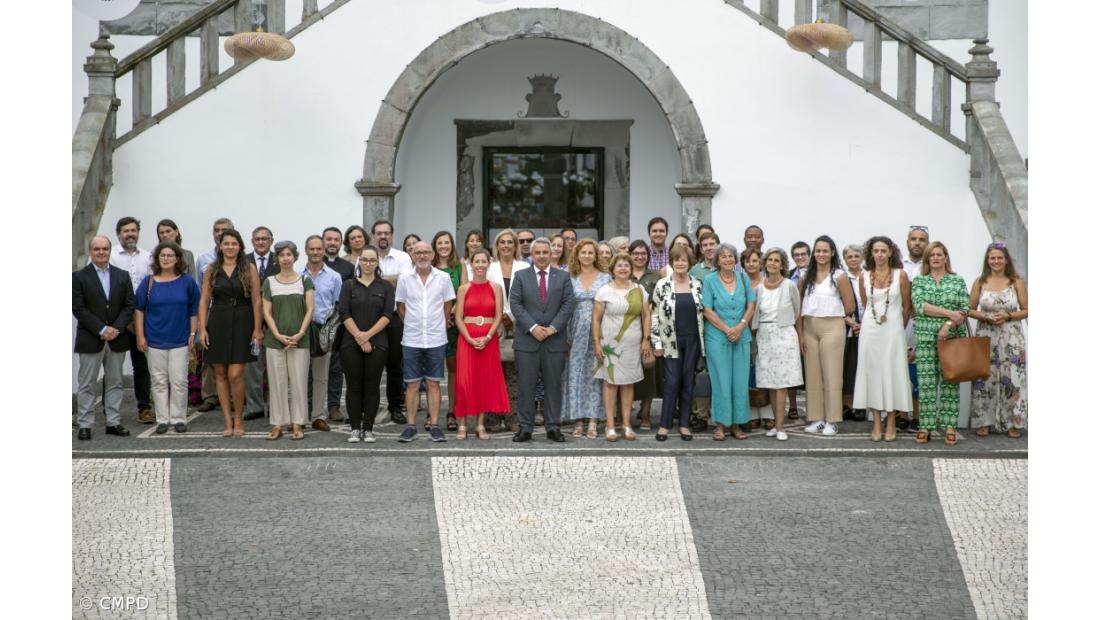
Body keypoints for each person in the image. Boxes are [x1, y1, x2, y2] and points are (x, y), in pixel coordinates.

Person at [510, 238, 576, 442]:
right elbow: (515, 304)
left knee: (553, 386)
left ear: (551, 254)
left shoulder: (563, 277)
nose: (541, 256)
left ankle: (553, 427)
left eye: (544, 252)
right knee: (526, 386)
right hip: (527, 341)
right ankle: (525, 427)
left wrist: (553, 328)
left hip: (554, 341)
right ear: (531, 255)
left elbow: (568, 305)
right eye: (536, 253)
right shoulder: (521, 276)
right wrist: (533, 327)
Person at [198, 229, 262, 437]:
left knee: (236, 374)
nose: (230, 247)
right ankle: (227, 420)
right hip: (218, 320)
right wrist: (202, 328)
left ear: (240, 246)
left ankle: (239, 418)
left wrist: (257, 328)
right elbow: (204, 300)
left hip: (243, 320)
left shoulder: (248, 268)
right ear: (220, 246)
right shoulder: (212, 269)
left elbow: (256, 300)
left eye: (234, 243)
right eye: (226, 243)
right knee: (220, 373)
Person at [135, 241, 201, 434]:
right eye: (162, 255)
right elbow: (139, 310)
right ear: (157, 259)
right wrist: (140, 336)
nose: (166, 258)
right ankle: (162, 419)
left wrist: (192, 333)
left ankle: (179, 418)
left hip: (180, 339)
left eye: (170, 255)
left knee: (179, 381)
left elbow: (194, 310)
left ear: (177, 259)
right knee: (158, 381)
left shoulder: (187, 281)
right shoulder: (148, 283)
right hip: (155, 339)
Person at [73, 236, 135, 440]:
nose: (101, 252)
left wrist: (115, 328)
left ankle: (113, 422)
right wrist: (101, 329)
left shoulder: (122, 276)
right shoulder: (78, 277)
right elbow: (78, 308)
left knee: (115, 382)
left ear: (110, 251)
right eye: (97, 249)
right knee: (87, 383)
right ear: (90, 251)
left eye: (105, 249)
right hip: (91, 338)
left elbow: (129, 306)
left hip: (116, 338)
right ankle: (85, 424)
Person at [852, 237, 913, 442]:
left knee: (892, 374)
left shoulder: (900, 275)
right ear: (871, 253)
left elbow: (907, 306)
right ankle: (876, 421)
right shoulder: (864, 276)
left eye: (883, 250)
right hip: (870, 331)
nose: (879, 254)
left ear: (890, 253)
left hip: (893, 331)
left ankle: (891, 422)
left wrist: (897, 327)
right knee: (873, 375)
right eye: (876, 250)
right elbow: (865, 303)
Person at [395, 241, 456, 442]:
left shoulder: (443, 277)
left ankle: (435, 426)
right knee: (411, 384)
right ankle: (411, 426)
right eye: (418, 252)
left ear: (432, 255)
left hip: (436, 338)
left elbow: (448, 303)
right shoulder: (404, 278)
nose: (422, 256)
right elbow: (400, 306)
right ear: (412, 255)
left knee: (434, 383)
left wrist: (439, 322)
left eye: (425, 252)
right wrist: (412, 324)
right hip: (411, 338)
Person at [910, 241, 969, 445]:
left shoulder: (957, 281)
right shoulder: (919, 281)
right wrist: (948, 313)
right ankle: (925, 425)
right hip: (925, 339)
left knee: (950, 382)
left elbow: (964, 309)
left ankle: (950, 426)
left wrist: (948, 323)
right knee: (926, 384)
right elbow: (920, 306)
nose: (935, 258)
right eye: (931, 255)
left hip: (952, 338)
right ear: (927, 259)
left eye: (939, 254)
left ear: (946, 257)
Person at [797, 236, 857, 436]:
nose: (821, 254)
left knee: (832, 374)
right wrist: (801, 335)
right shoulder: (806, 275)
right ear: (813, 253)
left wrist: (836, 315)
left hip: (832, 325)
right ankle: (817, 418)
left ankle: (832, 420)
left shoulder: (839, 275)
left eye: (825, 251)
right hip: (809, 326)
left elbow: (849, 305)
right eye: (818, 251)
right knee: (813, 375)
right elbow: (799, 305)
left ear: (832, 253)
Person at [969, 243, 1028, 438]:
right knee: (984, 378)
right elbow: (969, 309)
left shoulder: (1016, 281)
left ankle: (1012, 423)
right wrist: (985, 317)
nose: (996, 261)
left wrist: (1008, 316)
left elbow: (1027, 309)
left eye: (999, 258)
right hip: (986, 334)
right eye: (992, 258)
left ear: (1006, 260)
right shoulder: (980, 282)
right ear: (988, 260)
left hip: (1011, 336)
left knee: (1012, 378)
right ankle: (984, 421)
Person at [593, 252, 652, 441]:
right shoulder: (604, 291)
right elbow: (596, 319)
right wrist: (596, 343)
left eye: (627, 265)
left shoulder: (640, 290)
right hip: (610, 344)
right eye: (619, 265)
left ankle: (627, 425)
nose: (623, 268)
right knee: (610, 383)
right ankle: (610, 426)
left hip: (633, 343)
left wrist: (646, 339)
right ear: (612, 269)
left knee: (628, 383)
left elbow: (646, 316)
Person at [454, 248, 510, 440]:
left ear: (488, 264)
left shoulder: (496, 288)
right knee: (464, 381)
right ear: (471, 264)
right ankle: (462, 423)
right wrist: (469, 338)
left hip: (488, 339)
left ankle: (479, 424)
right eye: (476, 262)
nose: (479, 265)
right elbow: (458, 317)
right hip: (467, 339)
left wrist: (487, 337)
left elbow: (498, 316)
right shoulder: (463, 289)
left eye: (483, 262)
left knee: (484, 381)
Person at [338, 248, 394, 443]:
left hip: (378, 342)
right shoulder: (348, 285)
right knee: (353, 386)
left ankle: (368, 429)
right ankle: (355, 428)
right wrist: (359, 337)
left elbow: (388, 315)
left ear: (377, 263)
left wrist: (368, 336)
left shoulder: (385, 287)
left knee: (372, 386)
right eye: (365, 260)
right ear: (359, 262)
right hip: (350, 342)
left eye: (372, 260)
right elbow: (344, 313)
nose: (368, 263)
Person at [261, 241, 315, 441]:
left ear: (295, 257)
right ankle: (277, 423)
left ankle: (298, 423)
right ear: (277, 258)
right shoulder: (269, 282)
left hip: (300, 340)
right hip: (275, 342)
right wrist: (276, 335)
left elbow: (310, 308)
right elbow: (266, 312)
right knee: (277, 383)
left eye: (289, 254)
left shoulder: (304, 280)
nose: (285, 258)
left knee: (299, 382)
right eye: (282, 255)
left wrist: (301, 332)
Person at [702, 243, 757, 440]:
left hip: (741, 337)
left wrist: (741, 326)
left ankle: (736, 425)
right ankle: (720, 425)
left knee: (740, 383)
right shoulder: (709, 280)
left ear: (735, 259)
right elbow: (707, 310)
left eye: (731, 256)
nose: (727, 259)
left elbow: (751, 305)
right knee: (721, 382)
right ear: (717, 260)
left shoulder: (743, 278)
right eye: (723, 256)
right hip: (717, 338)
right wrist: (727, 330)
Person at [650, 244, 703, 441]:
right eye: (677, 260)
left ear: (690, 263)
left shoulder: (697, 284)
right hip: (669, 340)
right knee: (672, 382)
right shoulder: (662, 284)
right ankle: (664, 425)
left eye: (684, 260)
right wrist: (656, 343)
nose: (680, 263)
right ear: (672, 262)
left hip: (693, 340)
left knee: (688, 381)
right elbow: (654, 314)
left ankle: (684, 424)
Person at [562, 239, 612, 438]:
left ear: (596, 255)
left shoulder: (606, 277)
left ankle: (593, 420)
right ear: (577, 255)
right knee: (575, 373)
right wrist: (566, 333)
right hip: (576, 329)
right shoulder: (570, 277)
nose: (587, 256)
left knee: (596, 373)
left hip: (600, 329)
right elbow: (566, 306)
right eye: (583, 252)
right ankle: (578, 420)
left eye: (591, 253)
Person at [751, 248, 802, 441]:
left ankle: (780, 427)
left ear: (782, 265)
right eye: (769, 260)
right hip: (764, 336)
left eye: (776, 260)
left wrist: (798, 336)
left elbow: (797, 311)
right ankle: (775, 424)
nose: (772, 263)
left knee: (781, 383)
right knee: (770, 382)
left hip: (784, 335)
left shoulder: (789, 286)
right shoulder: (759, 288)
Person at [110, 216, 154, 424]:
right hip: (116, 319)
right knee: (113, 366)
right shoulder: (109, 256)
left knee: (141, 365)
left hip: (141, 319)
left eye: (134, 230)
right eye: (126, 231)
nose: (130, 234)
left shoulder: (148, 257)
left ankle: (144, 408)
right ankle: (109, 410)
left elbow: (153, 286)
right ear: (118, 234)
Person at [487, 228, 530, 432]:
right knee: (493, 374)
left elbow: (528, 297)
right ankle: (493, 418)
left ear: (515, 246)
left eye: (509, 242)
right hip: (493, 326)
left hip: (519, 326)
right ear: (497, 246)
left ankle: (513, 418)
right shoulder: (489, 267)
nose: (506, 245)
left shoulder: (524, 266)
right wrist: (501, 318)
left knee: (515, 376)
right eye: (502, 242)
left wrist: (512, 318)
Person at [155, 219, 202, 407]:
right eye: (161, 232)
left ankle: (182, 405)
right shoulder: (155, 255)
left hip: (182, 314)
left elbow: (191, 287)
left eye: (168, 231)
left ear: (176, 232)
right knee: (160, 371)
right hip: (161, 317)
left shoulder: (187, 255)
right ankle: (161, 406)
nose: (165, 235)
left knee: (183, 367)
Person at [373, 220, 414, 424]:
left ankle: (395, 406)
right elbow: (359, 279)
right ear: (373, 236)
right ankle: (368, 407)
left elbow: (404, 280)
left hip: (396, 317)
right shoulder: (366, 257)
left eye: (386, 233)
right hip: (370, 320)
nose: (383, 237)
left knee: (395, 365)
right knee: (371, 365)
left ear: (392, 235)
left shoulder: (403, 257)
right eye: (379, 233)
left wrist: (374, 276)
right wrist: (392, 278)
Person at [302, 235, 343, 432]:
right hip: (301, 331)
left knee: (321, 376)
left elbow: (337, 306)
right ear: (306, 251)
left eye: (319, 249)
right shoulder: (297, 275)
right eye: (312, 249)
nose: (316, 252)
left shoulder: (334, 277)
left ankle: (318, 415)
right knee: (299, 376)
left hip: (323, 332)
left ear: (324, 251)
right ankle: (300, 416)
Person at [194, 218, 234, 414]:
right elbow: (199, 290)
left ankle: (233, 397)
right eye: (217, 230)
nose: (220, 233)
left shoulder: (240, 258)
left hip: (232, 311)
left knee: (234, 353)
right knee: (209, 353)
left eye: (224, 230)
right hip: (210, 310)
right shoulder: (203, 259)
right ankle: (209, 396)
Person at [243, 226, 279, 421]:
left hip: (275, 321)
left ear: (271, 240)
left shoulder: (280, 260)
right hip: (251, 321)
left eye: (265, 239)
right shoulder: (244, 261)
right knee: (253, 366)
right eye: (257, 239)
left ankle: (275, 406)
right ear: (252, 241)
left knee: (275, 365)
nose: (261, 242)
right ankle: (255, 406)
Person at [628, 240, 662, 429]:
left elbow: (661, 301)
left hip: (651, 328)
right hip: (628, 328)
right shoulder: (624, 273)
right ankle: (626, 411)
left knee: (649, 369)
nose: (639, 257)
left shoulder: (655, 277)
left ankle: (646, 412)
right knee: (628, 369)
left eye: (643, 253)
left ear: (648, 256)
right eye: (636, 253)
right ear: (630, 255)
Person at [431, 231, 463, 432]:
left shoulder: (459, 267)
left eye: (447, 242)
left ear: (452, 245)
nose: (444, 246)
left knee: (453, 370)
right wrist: (439, 316)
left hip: (453, 324)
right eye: (440, 243)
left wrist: (451, 312)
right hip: (433, 325)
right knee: (432, 371)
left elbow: (464, 291)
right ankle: (431, 413)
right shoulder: (428, 267)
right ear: (435, 246)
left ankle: (452, 411)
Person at [321, 226, 354, 422]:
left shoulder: (348, 268)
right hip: (316, 323)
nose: (332, 243)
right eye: (329, 239)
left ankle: (334, 406)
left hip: (340, 324)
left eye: (336, 240)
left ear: (341, 243)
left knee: (335, 367)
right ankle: (311, 406)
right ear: (323, 241)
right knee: (312, 368)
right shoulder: (313, 264)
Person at [900, 225, 929, 432]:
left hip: (924, 322)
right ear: (907, 242)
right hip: (900, 321)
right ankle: (901, 414)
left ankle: (917, 416)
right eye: (913, 239)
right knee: (899, 366)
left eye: (921, 239)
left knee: (918, 369)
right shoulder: (898, 265)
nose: (917, 243)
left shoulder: (931, 266)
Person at [741, 247, 773, 430]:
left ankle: (768, 413)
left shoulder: (766, 283)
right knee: (749, 373)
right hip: (745, 333)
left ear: (760, 263)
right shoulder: (739, 282)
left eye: (755, 260)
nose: (751, 264)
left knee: (765, 372)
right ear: (743, 264)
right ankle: (753, 413)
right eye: (748, 261)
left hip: (764, 333)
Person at [841, 243, 866, 422]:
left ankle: (861, 406)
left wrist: (865, 325)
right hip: (847, 329)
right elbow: (836, 303)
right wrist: (851, 322)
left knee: (863, 369)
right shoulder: (841, 278)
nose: (853, 259)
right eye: (850, 257)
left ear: (862, 258)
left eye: (856, 256)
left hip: (868, 327)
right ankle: (847, 406)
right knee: (848, 369)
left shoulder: (868, 276)